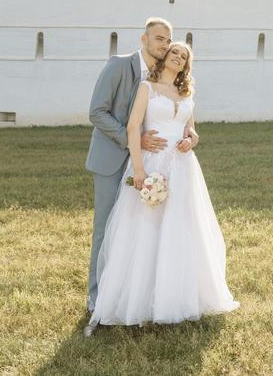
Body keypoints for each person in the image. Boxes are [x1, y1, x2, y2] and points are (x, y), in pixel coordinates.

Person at [87, 41, 239, 330]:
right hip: (152, 162)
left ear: (186, 65)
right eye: (174, 53)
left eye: (184, 57)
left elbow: (191, 129)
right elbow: (133, 128)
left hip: (182, 167)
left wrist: (191, 139)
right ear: (165, 57)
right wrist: (140, 169)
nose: (179, 58)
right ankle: (137, 299)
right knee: (145, 227)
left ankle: (177, 295)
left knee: (181, 227)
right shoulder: (147, 88)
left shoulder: (186, 92)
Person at [84, 18, 198, 323]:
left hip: (155, 161)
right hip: (113, 158)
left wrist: (189, 136)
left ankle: (139, 294)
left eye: (167, 40)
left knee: (144, 229)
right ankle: (97, 298)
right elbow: (97, 111)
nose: (163, 44)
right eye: (158, 39)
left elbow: (183, 118)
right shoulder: (120, 65)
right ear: (144, 39)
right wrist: (132, 138)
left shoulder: (170, 80)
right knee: (107, 229)